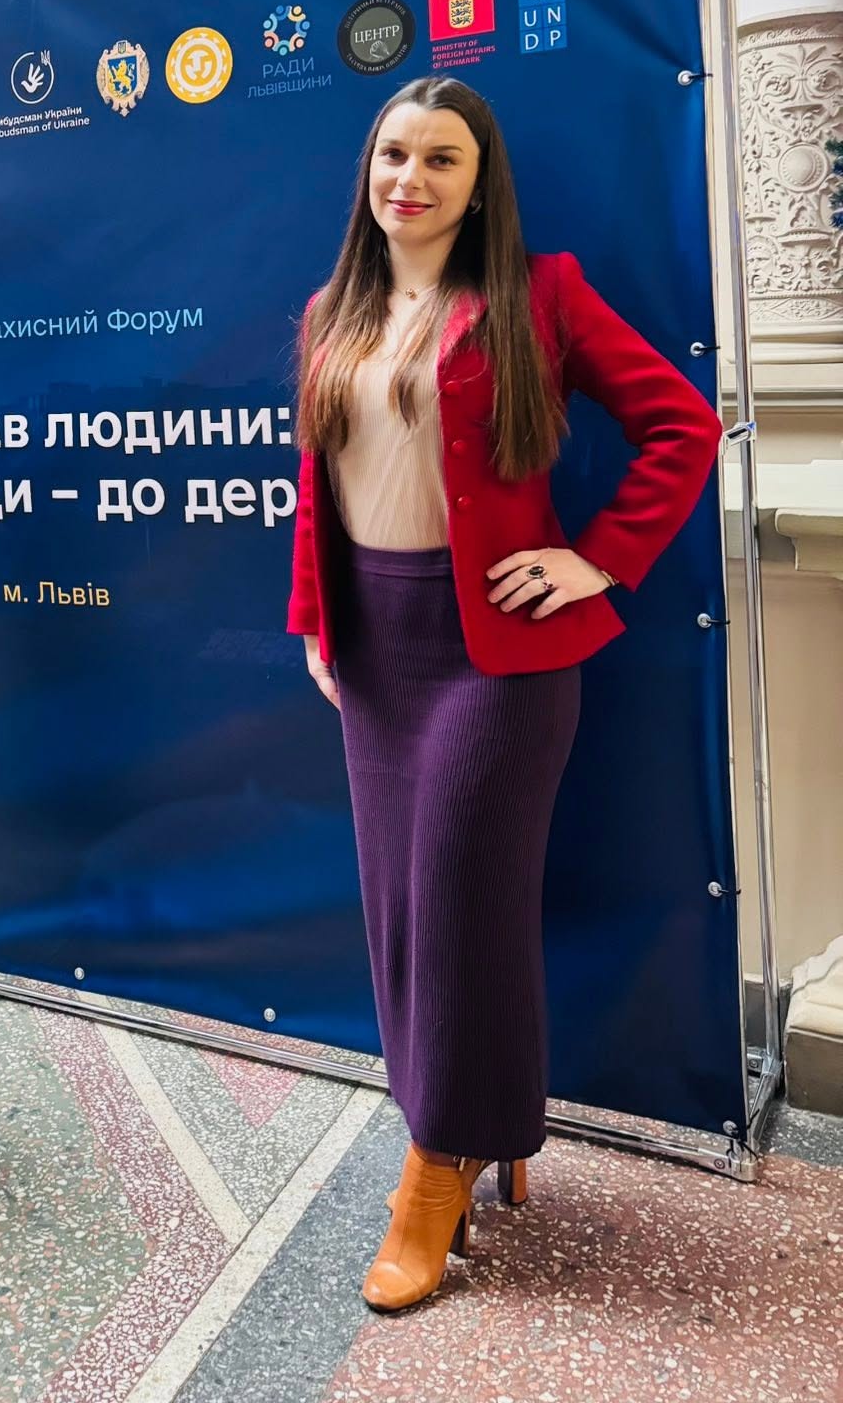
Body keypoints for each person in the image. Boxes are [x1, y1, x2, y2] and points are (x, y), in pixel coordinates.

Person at [287, 74, 720, 1312]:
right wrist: (315, 615)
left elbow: (683, 425)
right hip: (375, 644)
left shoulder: (542, 293)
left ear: (480, 186)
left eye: (442, 159)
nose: (410, 178)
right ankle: (471, 1129)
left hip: (498, 653)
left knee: (458, 904)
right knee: (397, 907)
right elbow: (320, 482)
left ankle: (438, 1168)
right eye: (394, 154)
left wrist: (599, 558)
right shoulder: (331, 309)